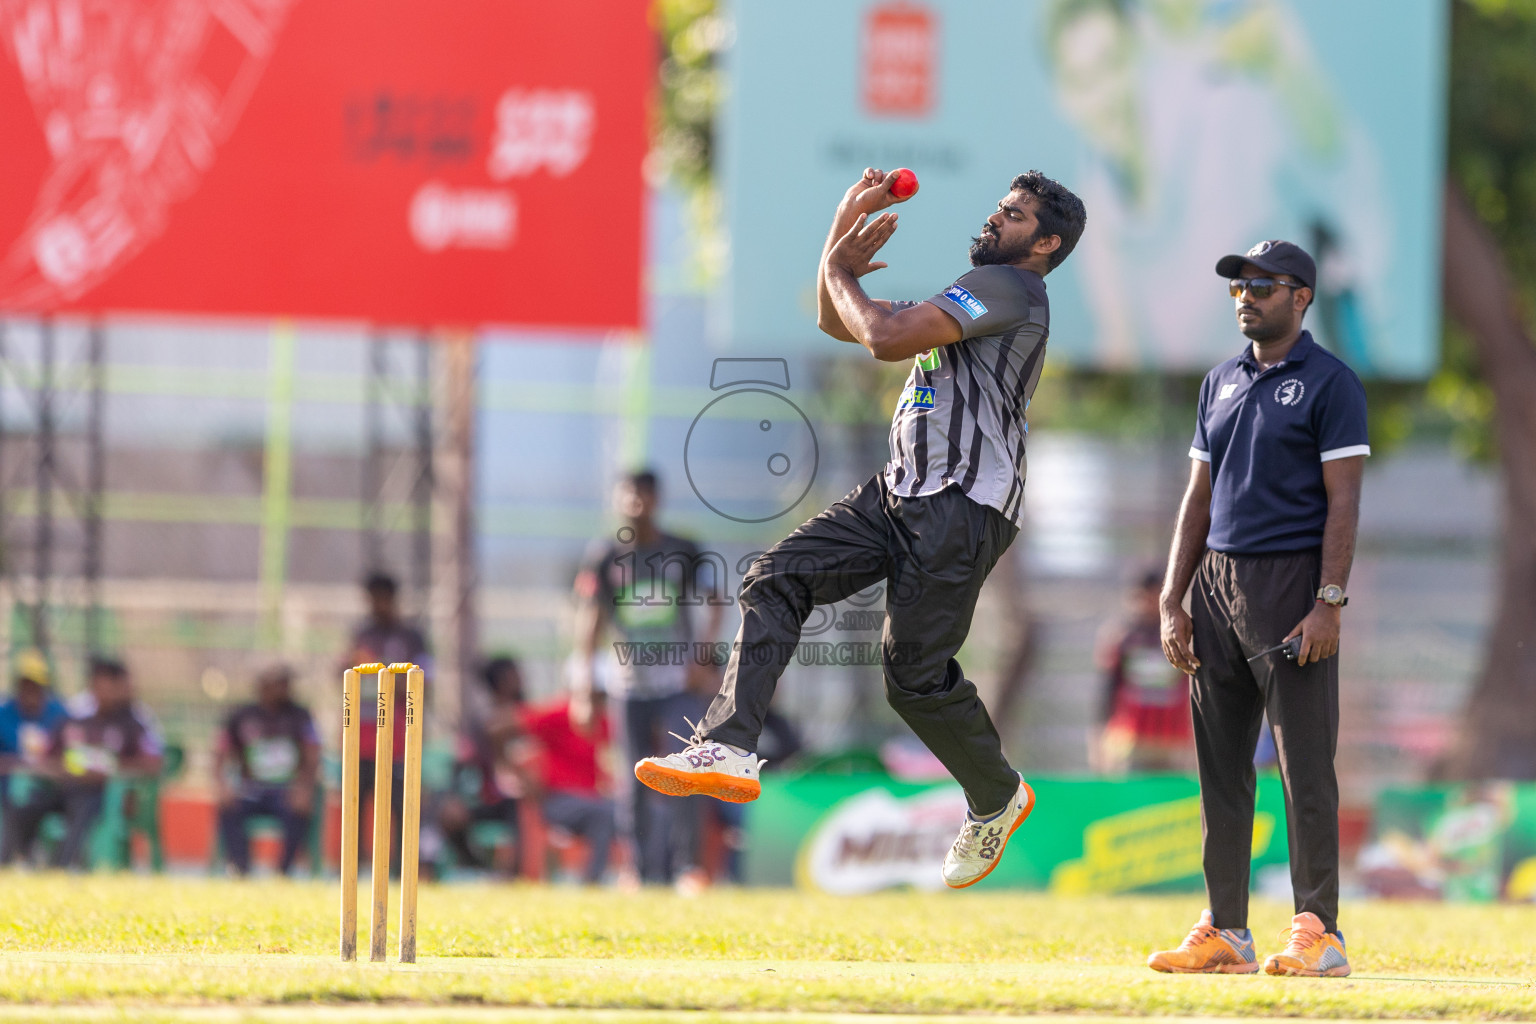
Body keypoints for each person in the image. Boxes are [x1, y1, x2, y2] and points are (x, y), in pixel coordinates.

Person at [635, 168, 1087, 889]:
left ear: (1046, 244)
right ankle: (726, 747)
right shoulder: (967, 301)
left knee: (912, 681)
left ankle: (998, 794)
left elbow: (878, 335)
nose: (997, 218)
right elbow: (831, 316)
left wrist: (842, 270)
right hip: (901, 491)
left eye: (1016, 215)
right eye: (1001, 207)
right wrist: (840, 235)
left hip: (962, 505)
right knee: (775, 578)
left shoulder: (1014, 291)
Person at [1149, 240, 1367, 978]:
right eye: (1239, 285)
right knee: (1219, 768)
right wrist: (1173, 598)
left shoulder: (1331, 383)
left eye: (1264, 285)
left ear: (1301, 297)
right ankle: (1227, 929)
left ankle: (1319, 930)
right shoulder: (1220, 380)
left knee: (1304, 766)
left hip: (1291, 586)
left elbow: (1345, 501)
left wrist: (1328, 601)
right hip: (1216, 585)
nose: (1247, 296)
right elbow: (1198, 498)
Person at [572, 470, 724, 884]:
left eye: (644, 493)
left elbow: (716, 602)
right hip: (628, 684)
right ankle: (636, 871)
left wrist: (701, 659)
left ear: (657, 499)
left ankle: (690, 869)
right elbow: (590, 618)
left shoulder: (683, 550)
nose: (636, 502)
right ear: (618, 498)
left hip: (677, 684)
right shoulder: (605, 555)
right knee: (634, 777)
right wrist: (584, 686)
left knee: (684, 770)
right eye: (629, 493)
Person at [1, 657, 163, 868]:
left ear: (118, 688)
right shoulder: (76, 720)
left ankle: (61, 867)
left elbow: (153, 764)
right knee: (21, 806)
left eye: (108, 687)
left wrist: (111, 770)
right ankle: (11, 863)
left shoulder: (132, 725)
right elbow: (48, 756)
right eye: (97, 686)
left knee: (84, 808)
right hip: (64, 788)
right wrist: (59, 769)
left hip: (103, 796)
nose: (102, 693)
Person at [344, 571, 430, 873]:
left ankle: (398, 870)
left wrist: (386, 677)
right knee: (356, 802)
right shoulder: (361, 634)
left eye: (382, 598)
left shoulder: (411, 637)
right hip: (363, 733)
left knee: (398, 805)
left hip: (398, 735)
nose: (377, 605)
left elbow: (423, 683)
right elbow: (345, 676)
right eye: (372, 599)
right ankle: (353, 869)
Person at [212, 665, 321, 876]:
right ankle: (240, 867)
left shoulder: (300, 716)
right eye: (279, 684)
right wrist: (222, 784)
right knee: (228, 807)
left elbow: (313, 753)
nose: (285, 689)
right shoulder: (241, 715)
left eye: (287, 684)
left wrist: (305, 787)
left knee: (298, 810)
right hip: (251, 789)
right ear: (263, 687)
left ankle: (283, 870)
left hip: (287, 789)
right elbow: (219, 751)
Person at [1092, 568, 1194, 774]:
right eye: (1141, 597)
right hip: (1130, 739)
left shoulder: (1183, 635)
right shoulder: (1121, 637)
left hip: (1174, 739)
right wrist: (1098, 736)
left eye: (1153, 596)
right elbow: (1107, 688)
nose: (1147, 604)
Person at [520, 676, 615, 885]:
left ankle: (650, 875)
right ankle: (593, 881)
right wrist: (514, 770)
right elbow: (507, 726)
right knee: (602, 813)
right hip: (557, 801)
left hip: (592, 799)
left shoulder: (603, 721)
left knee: (644, 813)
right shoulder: (557, 714)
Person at [439, 656, 529, 875]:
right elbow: (463, 760)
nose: (520, 679)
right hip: (487, 796)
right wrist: (454, 794)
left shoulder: (527, 712)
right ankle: (474, 864)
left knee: (519, 806)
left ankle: (515, 873)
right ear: (499, 681)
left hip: (522, 796)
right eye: (513, 674)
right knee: (449, 813)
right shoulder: (481, 718)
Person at [0, 650, 68, 809]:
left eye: (35, 685)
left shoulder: (59, 714)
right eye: (26, 684)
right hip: (8, 791)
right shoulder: (4, 715)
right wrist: (15, 764)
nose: (30, 690)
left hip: (51, 789)